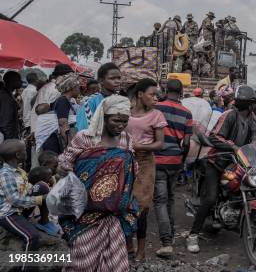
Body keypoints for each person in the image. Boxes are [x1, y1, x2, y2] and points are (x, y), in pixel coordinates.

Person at [58, 95, 137, 272]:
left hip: (113, 211)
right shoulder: (85, 138)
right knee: (81, 259)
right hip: (85, 210)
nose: (120, 125)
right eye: (116, 120)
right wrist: (67, 172)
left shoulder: (127, 140)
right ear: (104, 116)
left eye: (124, 121)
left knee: (113, 259)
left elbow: (132, 170)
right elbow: (65, 163)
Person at [186, 85, 256, 254]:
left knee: (253, 189)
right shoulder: (229, 115)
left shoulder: (252, 119)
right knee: (210, 198)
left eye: (247, 102)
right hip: (218, 162)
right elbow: (215, 136)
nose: (243, 105)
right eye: (242, 102)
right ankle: (193, 235)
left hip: (240, 163)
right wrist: (233, 147)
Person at [125, 79, 167, 261]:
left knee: (142, 208)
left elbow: (160, 144)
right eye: (152, 94)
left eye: (156, 94)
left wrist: (139, 146)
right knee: (124, 204)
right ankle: (128, 247)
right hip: (124, 161)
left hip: (145, 163)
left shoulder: (157, 115)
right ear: (140, 94)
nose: (155, 97)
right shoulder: (125, 113)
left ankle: (141, 251)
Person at [153, 79, 192, 258]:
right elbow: (187, 143)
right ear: (181, 91)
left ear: (165, 90)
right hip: (175, 160)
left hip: (158, 159)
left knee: (160, 200)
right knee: (169, 198)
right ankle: (172, 236)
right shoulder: (187, 113)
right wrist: (181, 162)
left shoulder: (157, 108)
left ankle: (166, 241)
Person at [0, 139, 49, 252]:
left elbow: (27, 189)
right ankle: (25, 267)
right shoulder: (5, 175)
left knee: (41, 186)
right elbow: (15, 200)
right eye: (24, 151)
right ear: (17, 155)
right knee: (32, 237)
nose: (26, 152)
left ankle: (44, 222)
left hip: (20, 209)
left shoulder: (18, 171)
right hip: (9, 213)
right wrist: (40, 199)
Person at [76, 63, 121, 132]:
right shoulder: (90, 102)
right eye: (112, 78)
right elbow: (83, 131)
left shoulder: (121, 101)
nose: (117, 81)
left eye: (119, 78)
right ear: (101, 81)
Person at [43, 73, 81, 154]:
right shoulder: (63, 101)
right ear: (72, 88)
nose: (79, 90)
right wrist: (69, 144)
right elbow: (63, 123)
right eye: (78, 87)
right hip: (56, 142)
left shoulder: (63, 100)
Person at [0, 71, 22, 141]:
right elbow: (6, 123)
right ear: (12, 81)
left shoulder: (8, 94)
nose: (21, 82)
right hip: (8, 139)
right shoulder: (6, 97)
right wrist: (10, 141)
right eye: (19, 79)